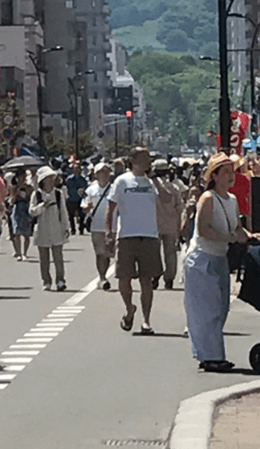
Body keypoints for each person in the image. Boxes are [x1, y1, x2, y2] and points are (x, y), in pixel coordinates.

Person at [184, 153, 259, 372]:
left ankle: (213, 354)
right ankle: (211, 357)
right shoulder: (208, 198)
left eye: (231, 171)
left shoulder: (232, 199)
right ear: (214, 176)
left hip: (219, 258)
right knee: (206, 309)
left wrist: (249, 236)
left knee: (221, 307)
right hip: (202, 259)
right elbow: (204, 230)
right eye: (224, 172)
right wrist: (230, 239)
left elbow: (236, 228)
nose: (230, 176)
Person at [105, 147, 163, 335]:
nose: (149, 162)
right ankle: (129, 308)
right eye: (145, 158)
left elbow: (166, 200)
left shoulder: (151, 182)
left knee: (147, 279)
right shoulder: (122, 181)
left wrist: (156, 180)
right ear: (134, 159)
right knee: (124, 277)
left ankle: (146, 320)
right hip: (127, 235)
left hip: (149, 235)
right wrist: (109, 232)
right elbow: (111, 208)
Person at [29, 166, 70, 291]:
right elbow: (32, 211)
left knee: (58, 257)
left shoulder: (58, 193)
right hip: (42, 228)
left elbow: (63, 212)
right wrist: (42, 206)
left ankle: (60, 280)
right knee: (44, 258)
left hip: (56, 227)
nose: (51, 180)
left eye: (52, 177)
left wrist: (66, 227)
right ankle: (46, 281)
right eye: (48, 178)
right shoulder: (36, 194)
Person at [82, 163, 116, 290]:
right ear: (96, 175)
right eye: (101, 172)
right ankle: (102, 277)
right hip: (96, 226)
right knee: (100, 253)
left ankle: (105, 274)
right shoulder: (90, 190)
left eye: (106, 172)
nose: (104, 174)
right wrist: (87, 207)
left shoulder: (114, 188)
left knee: (108, 253)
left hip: (113, 226)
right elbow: (84, 205)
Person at [151, 159, 184, 290]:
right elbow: (180, 208)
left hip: (154, 224)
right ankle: (169, 278)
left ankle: (155, 274)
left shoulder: (151, 187)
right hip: (171, 224)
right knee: (170, 253)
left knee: (154, 252)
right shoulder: (174, 188)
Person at [9, 168, 33, 260]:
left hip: (26, 208)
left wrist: (27, 190)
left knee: (26, 233)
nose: (22, 179)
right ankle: (18, 252)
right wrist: (17, 192)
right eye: (21, 177)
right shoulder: (13, 187)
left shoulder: (29, 187)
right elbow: (12, 200)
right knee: (17, 232)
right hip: (17, 208)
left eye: (24, 177)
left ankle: (25, 253)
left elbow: (31, 198)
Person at [65, 163, 88, 235]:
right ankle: (73, 229)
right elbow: (66, 188)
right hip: (71, 199)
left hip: (80, 199)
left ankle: (81, 229)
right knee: (71, 215)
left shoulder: (83, 179)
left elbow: (86, 189)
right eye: (75, 168)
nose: (76, 170)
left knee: (82, 215)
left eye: (78, 168)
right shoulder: (69, 179)